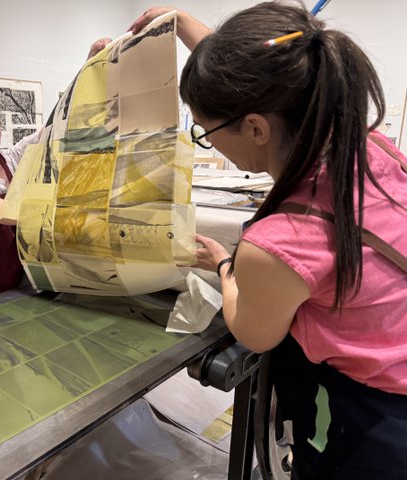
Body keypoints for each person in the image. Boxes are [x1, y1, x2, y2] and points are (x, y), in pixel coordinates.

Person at [131, 3, 407, 478]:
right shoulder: (367, 145)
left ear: (256, 127)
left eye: (206, 130)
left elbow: (254, 332)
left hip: (370, 423)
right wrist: (182, 22)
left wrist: (224, 264)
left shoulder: (280, 240)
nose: (210, 141)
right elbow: (265, 77)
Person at [0, 38, 111, 308]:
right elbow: (11, 213)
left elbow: (56, 125)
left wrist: (88, 66)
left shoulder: (16, 157)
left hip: (19, 289)